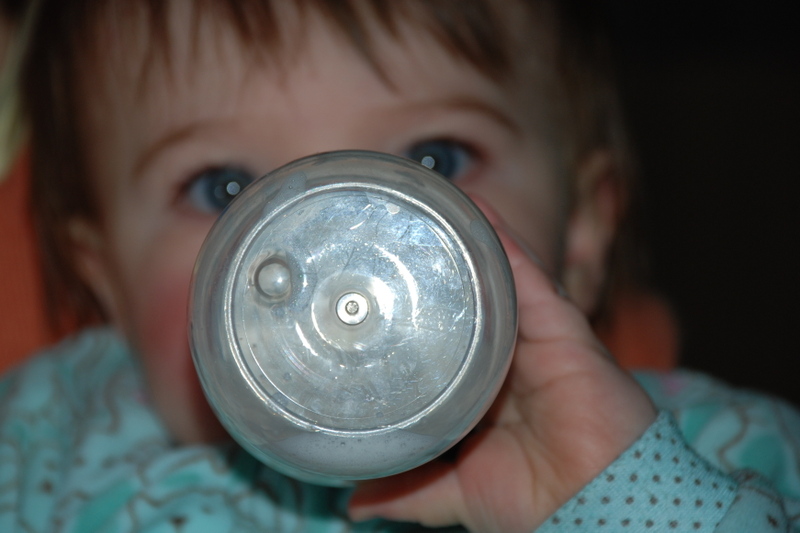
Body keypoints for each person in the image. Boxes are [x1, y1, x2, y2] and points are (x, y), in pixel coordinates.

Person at [1, 1, 798, 531]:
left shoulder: (718, 457)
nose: (341, 249)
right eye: (226, 187)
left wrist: (618, 497)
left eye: (433, 160)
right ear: (104, 275)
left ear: (583, 235)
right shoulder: (38, 443)